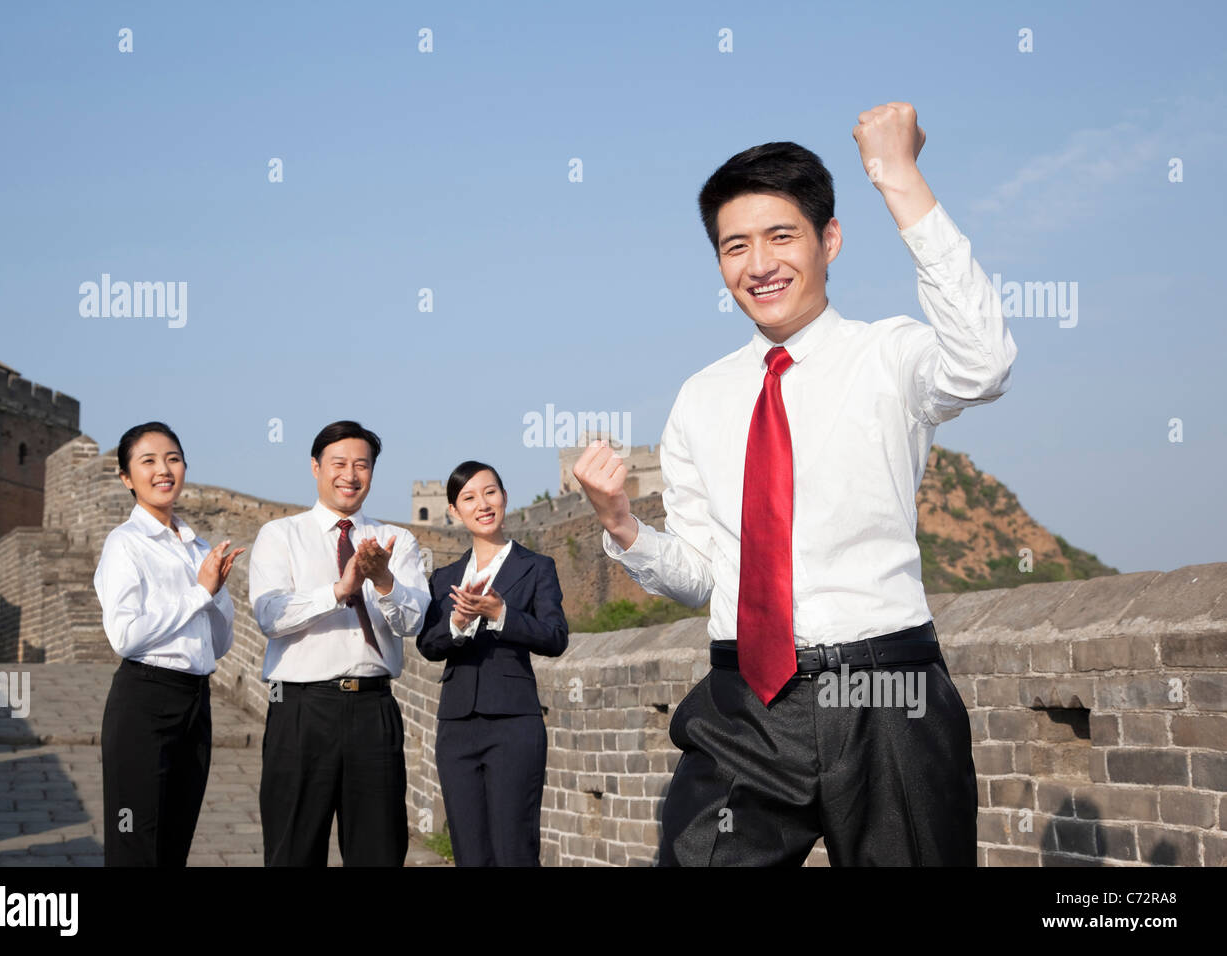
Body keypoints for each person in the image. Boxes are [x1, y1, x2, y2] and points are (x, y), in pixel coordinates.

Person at [573, 103, 1016, 866]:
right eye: (734, 245)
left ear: (829, 239)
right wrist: (623, 527)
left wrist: (899, 177)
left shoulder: (889, 355)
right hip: (747, 702)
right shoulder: (700, 399)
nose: (758, 264)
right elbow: (702, 578)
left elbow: (984, 362)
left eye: (781, 236)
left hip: (884, 692)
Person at [248, 420, 431, 866]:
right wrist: (339, 590)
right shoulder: (280, 536)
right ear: (316, 467)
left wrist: (384, 581)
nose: (351, 475)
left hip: (373, 710)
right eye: (339, 463)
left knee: (379, 850)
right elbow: (270, 616)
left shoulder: (396, 541)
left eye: (362, 465)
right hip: (300, 710)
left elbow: (414, 622)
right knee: (293, 849)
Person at [94, 421, 244, 866]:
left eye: (173, 459)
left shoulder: (199, 547)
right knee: (136, 844)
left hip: (196, 701)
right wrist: (199, 592)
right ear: (127, 478)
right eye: (149, 461)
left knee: (175, 844)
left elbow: (218, 644)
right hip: (144, 699)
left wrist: (214, 594)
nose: (164, 470)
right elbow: (124, 635)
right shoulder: (125, 544)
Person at [416, 462, 568, 866]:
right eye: (469, 497)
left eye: (490, 492)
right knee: (469, 851)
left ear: (504, 497)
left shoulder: (536, 567)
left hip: (514, 724)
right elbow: (428, 645)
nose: (482, 504)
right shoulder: (444, 577)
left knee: (514, 847)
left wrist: (502, 614)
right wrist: (459, 622)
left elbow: (555, 637)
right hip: (456, 726)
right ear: (453, 510)